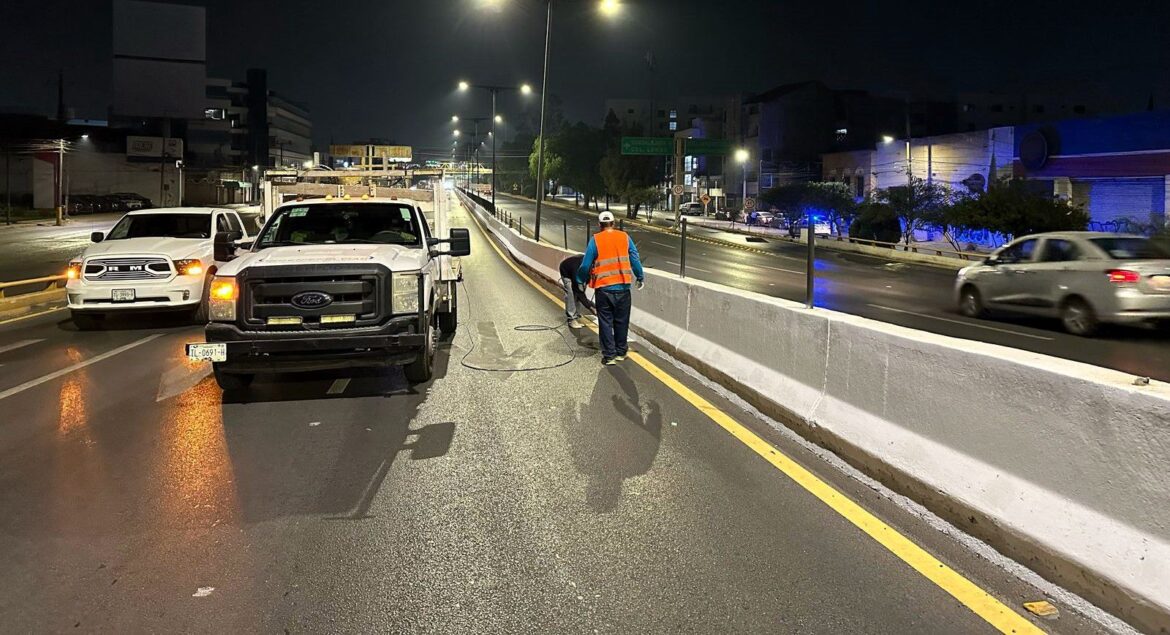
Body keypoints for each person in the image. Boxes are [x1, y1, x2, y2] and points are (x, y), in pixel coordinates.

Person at [576, 211, 645, 365]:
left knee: (605, 322)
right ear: (614, 223)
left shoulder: (595, 240)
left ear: (599, 225)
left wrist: (580, 279)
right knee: (621, 321)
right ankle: (621, 352)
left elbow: (586, 264)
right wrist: (640, 277)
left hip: (604, 289)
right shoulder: (625, 237)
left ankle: (609, 356)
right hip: (623, 288)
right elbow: (634, 258)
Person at [558, 254, 593, 329]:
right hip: (566, 271)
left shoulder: (592, 264)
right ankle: (571, 319)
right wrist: (590, 307)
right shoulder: (577, 268)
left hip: (578, 271)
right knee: (571, 293)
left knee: (580, 291)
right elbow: (578, 290)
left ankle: (577, 315)